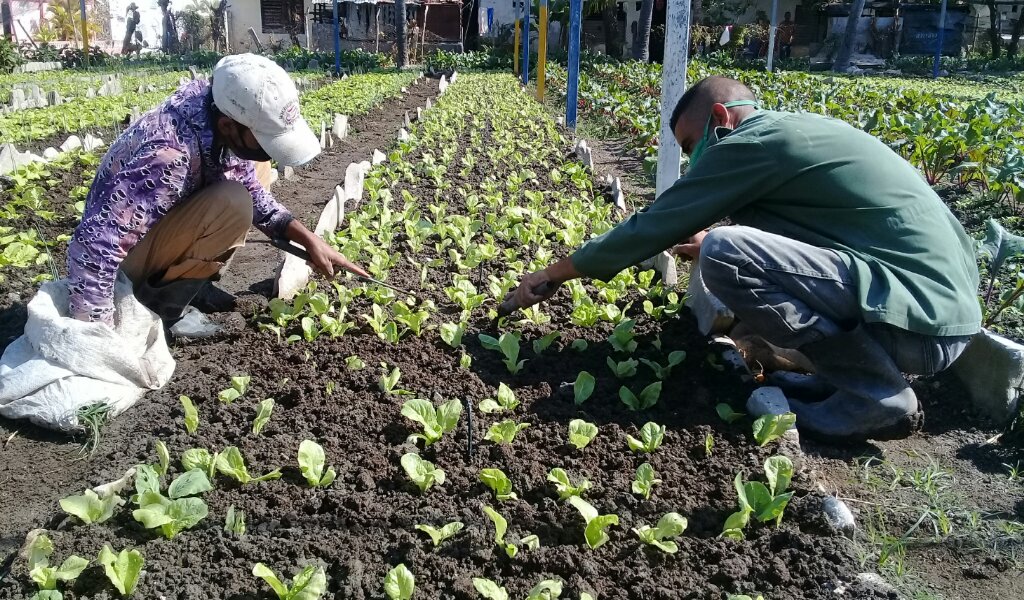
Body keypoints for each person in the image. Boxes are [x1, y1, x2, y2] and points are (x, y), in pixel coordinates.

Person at [509, 76, 980, 443]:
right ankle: (846, 383)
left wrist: (555, 273)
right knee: (723, 244)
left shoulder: (751, 142)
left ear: (721, 118)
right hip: (937, 315)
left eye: (693, 147)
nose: (695, 162)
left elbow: (654, 225)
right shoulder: (799, 131)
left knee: (724, 253)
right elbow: (817, 235)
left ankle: (877, 396)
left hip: (918, 324)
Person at [67, 53, 368, 333]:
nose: (270, 151)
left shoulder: (214, 106)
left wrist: (310, 240)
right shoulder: (169, 155)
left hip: (154, 226)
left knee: (253, 173)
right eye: (264, 138)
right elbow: (94, 248)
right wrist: (98, 332)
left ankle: (188, 281)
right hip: (116, 269)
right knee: (234, 204)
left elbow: (254, 191)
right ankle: (157, 308)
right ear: (228, 125)